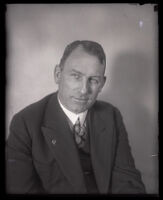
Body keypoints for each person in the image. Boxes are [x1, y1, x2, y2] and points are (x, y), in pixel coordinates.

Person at [6, 40, 146, 194]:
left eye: (93, 80)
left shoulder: (111, 116)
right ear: (58, 75)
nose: (84, 90)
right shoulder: (25, 123)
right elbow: (21, 189)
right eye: (76, 76)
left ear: (102, 84)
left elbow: (127, 181)